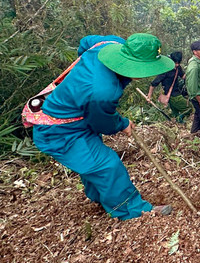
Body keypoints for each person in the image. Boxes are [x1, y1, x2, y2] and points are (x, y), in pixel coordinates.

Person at [30, 34, 175, 220]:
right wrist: (123, 124)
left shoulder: (110, 44)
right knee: (107, 165)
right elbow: (102, 122)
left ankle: (102, 196)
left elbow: (85, 43)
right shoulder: (103, 92)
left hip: (80, 117)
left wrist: (86, 68)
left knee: (93, 161)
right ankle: (131, 209)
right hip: (60, 131)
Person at [146, 51, 191, 123]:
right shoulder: (165, 69)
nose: (176, 65)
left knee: (176, 114)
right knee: (190, 109)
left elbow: (183, 76)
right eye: (175, 63)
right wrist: (149, 95)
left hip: (176, 93)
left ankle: (179, 126)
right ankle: (179, 120)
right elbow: (154, 83)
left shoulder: (178, 68)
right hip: (173, 96)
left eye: (178, 63)